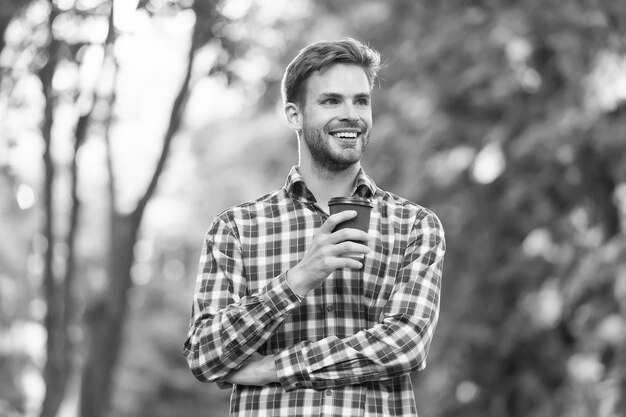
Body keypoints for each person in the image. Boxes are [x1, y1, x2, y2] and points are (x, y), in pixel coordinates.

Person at [183, 38, 445, 416]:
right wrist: (299, 279)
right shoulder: (236, 228)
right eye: (331, 101)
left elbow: (406, 343)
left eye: (361, 100)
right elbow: (205, 355)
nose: (351, 114)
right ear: (294, 115)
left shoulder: (415, 226)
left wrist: (276, 368)